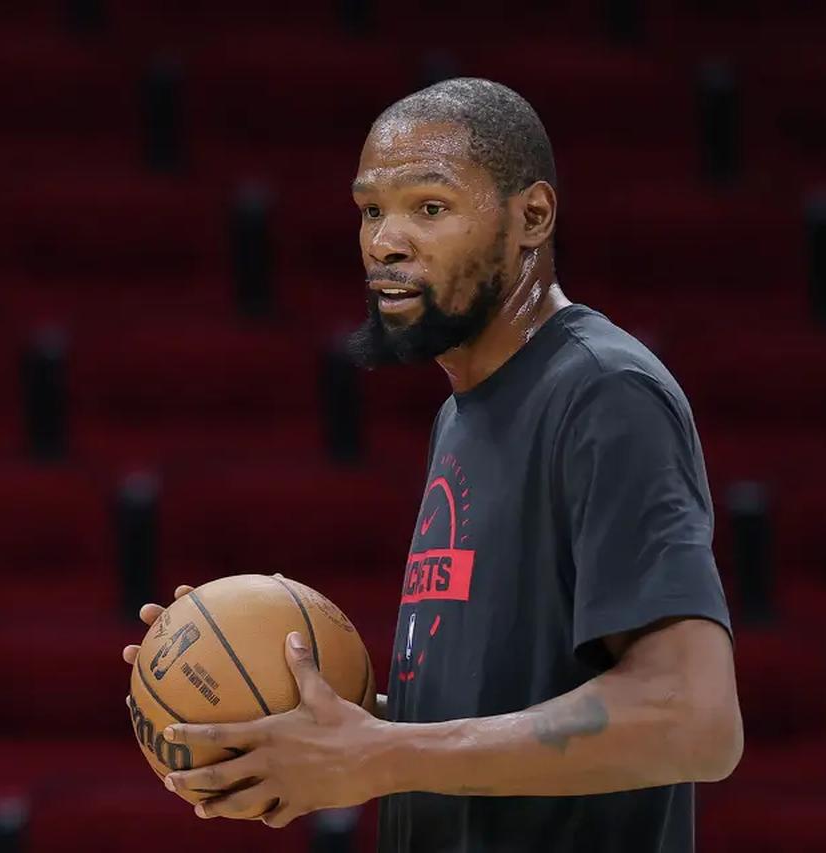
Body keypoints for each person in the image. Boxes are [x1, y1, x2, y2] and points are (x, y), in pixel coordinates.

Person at [121, 77, 742, 852]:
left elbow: (694, 716)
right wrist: (320, 724)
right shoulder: (462, 413)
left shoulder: (603, 393)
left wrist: (378, 753)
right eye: (371, 210)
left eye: (430, 207)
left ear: (532, 217)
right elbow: (492, 717)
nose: (385, 240)